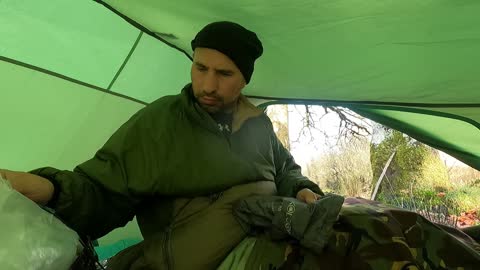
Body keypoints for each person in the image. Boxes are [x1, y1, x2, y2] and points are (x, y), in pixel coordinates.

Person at [0, 21, 323, 269]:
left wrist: (300, 187)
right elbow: (103, 189)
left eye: (224, 73)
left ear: (244, 79)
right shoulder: (161, 121)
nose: (208, 85)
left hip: (260, 253)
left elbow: (284, 168)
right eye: (200, 68)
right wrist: (51, 188)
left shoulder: (258, 123)